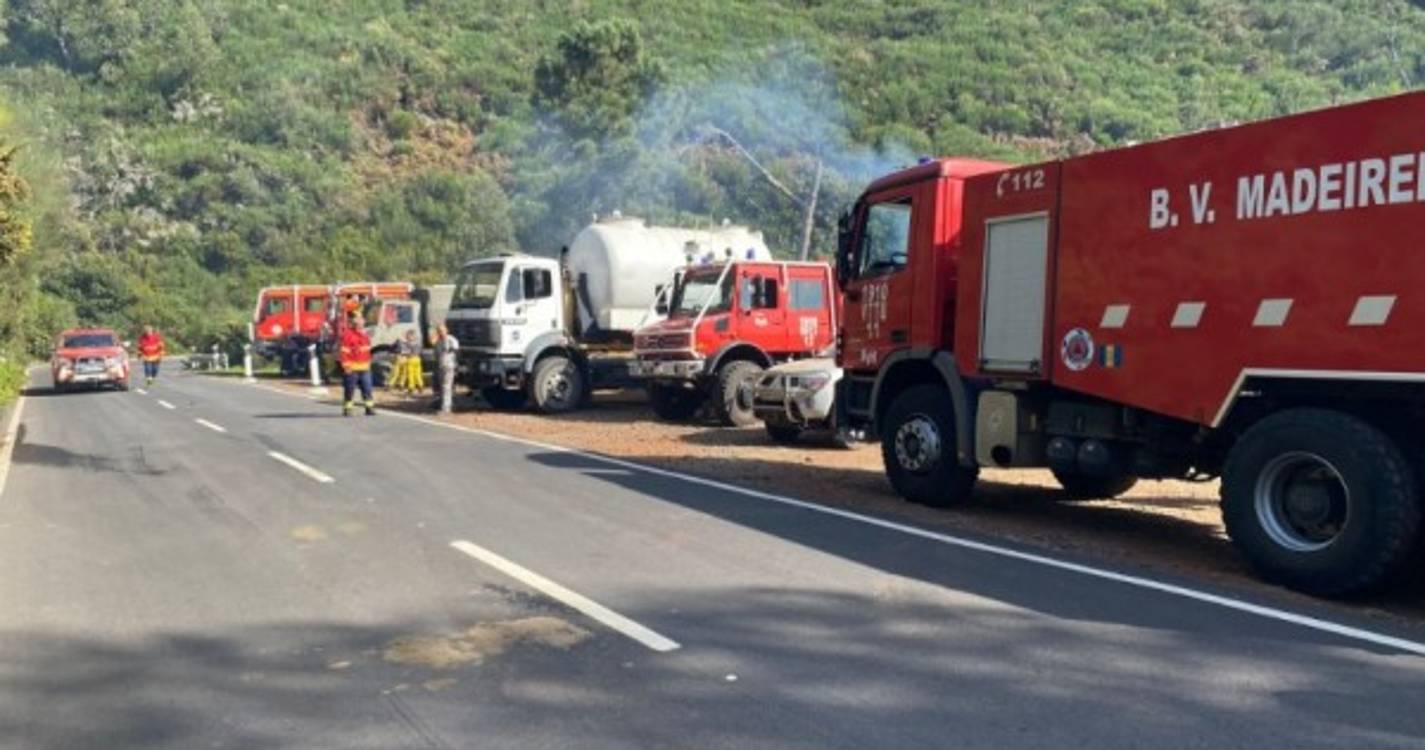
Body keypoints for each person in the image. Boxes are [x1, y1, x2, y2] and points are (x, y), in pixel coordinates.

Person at [339, 313, 376, 417]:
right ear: (354, 324)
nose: (361, 325)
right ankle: (348, 409)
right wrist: (346, 367)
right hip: (352, 368)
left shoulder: (365, 335)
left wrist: (369, 363)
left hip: (365, 367)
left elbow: (367, 351)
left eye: (362, 323)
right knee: (349, 389)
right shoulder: (348, 335)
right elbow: (344, 352)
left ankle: (369, 408)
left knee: (367, 388)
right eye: (358, 324)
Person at [434, 323, 459, 414]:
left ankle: (446, 408)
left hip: (449, 366)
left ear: (446, 330)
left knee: (446, 386)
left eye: (442, 331)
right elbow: (437, 354)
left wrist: (456, 365)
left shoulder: (451, 340)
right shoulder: (438, 342)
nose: (440, 333)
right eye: (439, 331)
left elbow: (456, 351)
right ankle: (448, 404)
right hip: (441, 366)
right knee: (443, 387)